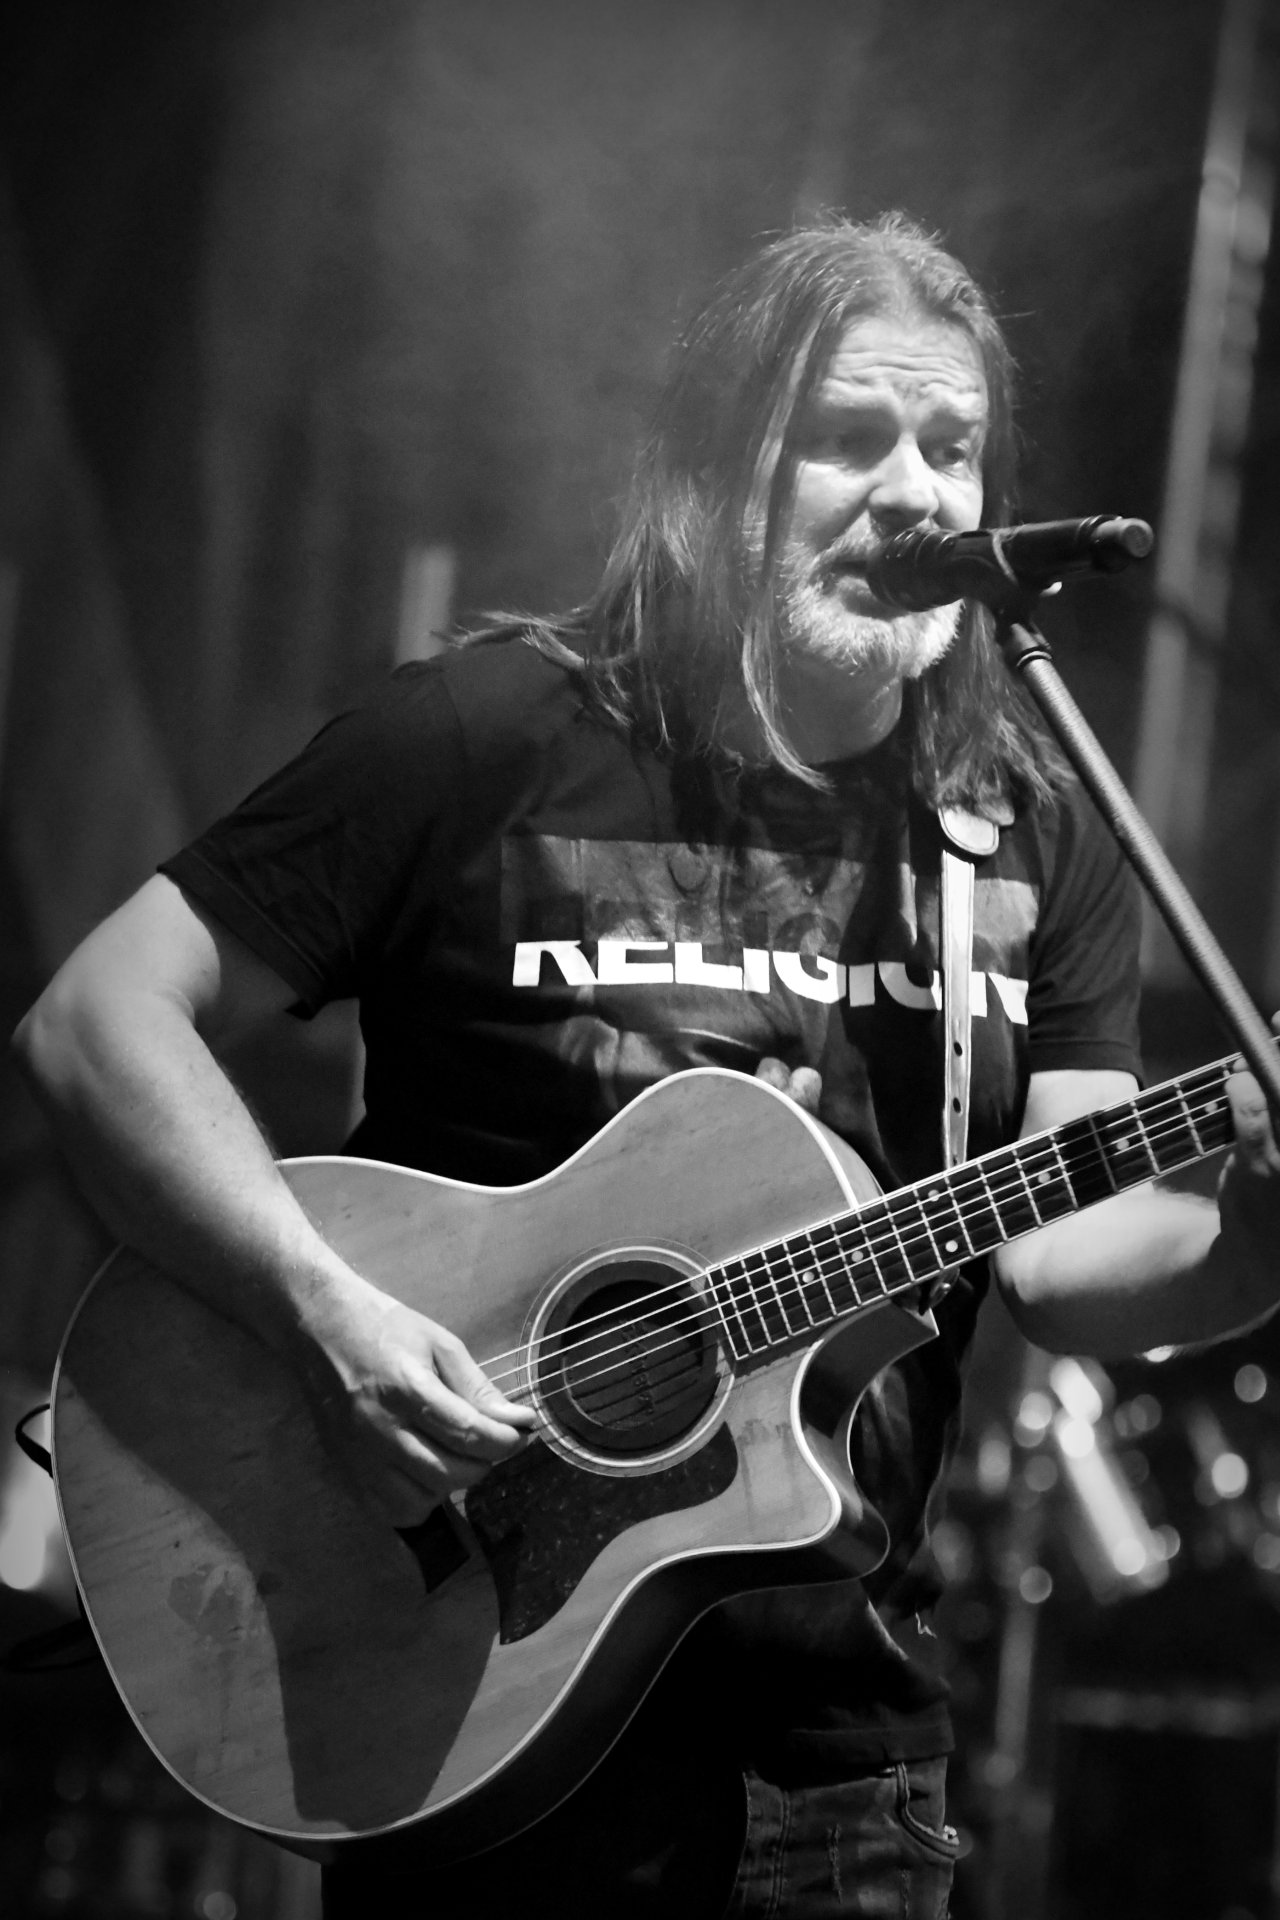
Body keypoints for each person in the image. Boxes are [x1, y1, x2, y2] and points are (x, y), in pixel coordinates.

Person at [13, 213, 1280, 1918]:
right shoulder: (485, 736)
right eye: (852, 436)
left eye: (954, 448)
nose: (916, 493)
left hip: (841, 1765)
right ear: (722, 465)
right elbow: (97, 1023)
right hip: (473, 1699)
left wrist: (1261, 1234)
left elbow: (1059, 1258)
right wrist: (326, 1319)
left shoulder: (1028, 827)